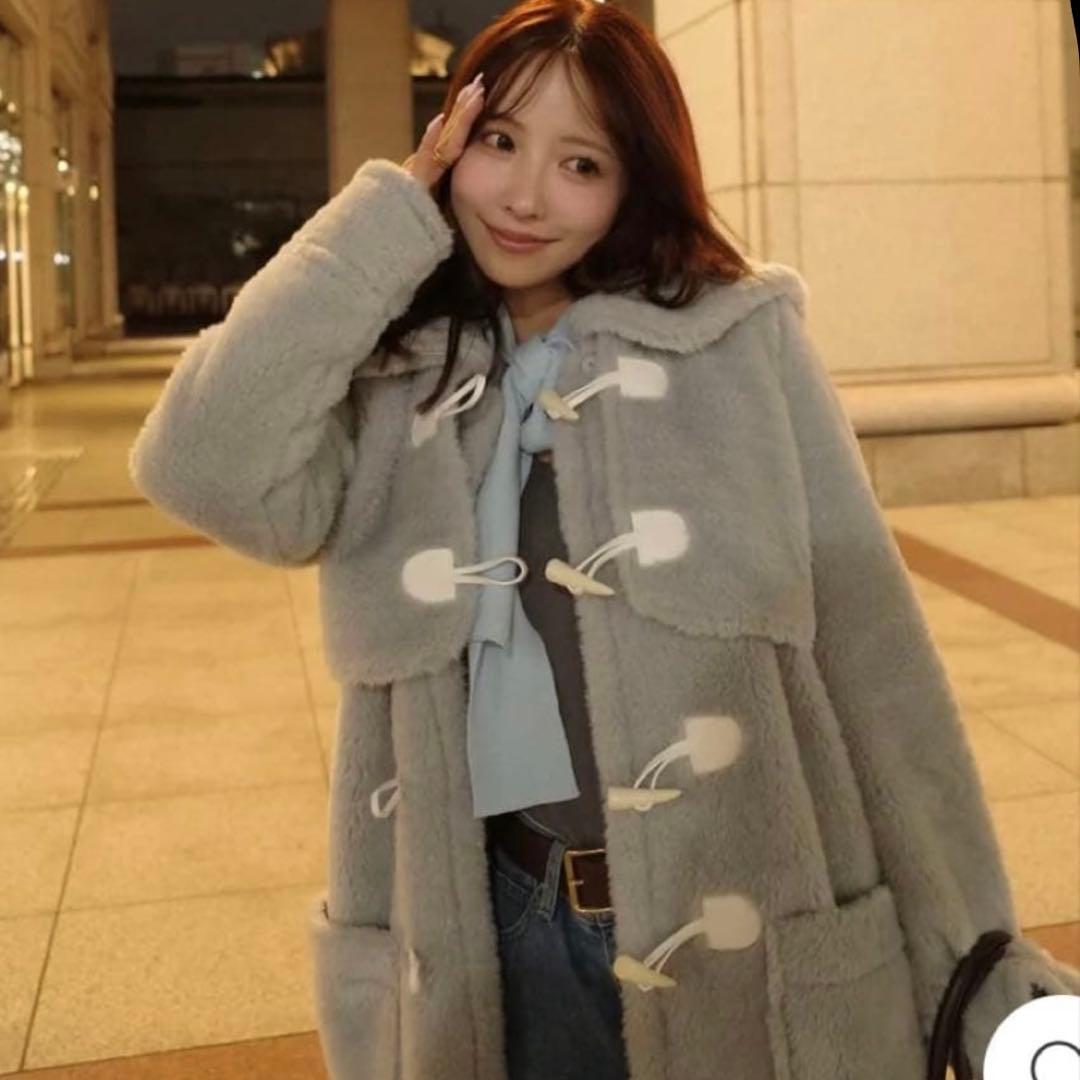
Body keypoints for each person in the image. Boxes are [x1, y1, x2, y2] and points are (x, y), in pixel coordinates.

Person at [128, 1, 1080, 1078]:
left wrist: (974, 951)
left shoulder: (737, 344)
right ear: (450, 140)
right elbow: (198, 462)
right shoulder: (399, 375)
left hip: (738, 935)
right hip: (490, 933)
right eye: (498, 141)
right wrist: (385, 222)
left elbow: (877, 659)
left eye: (581, 163)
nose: (526, 196)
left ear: (636, 183)